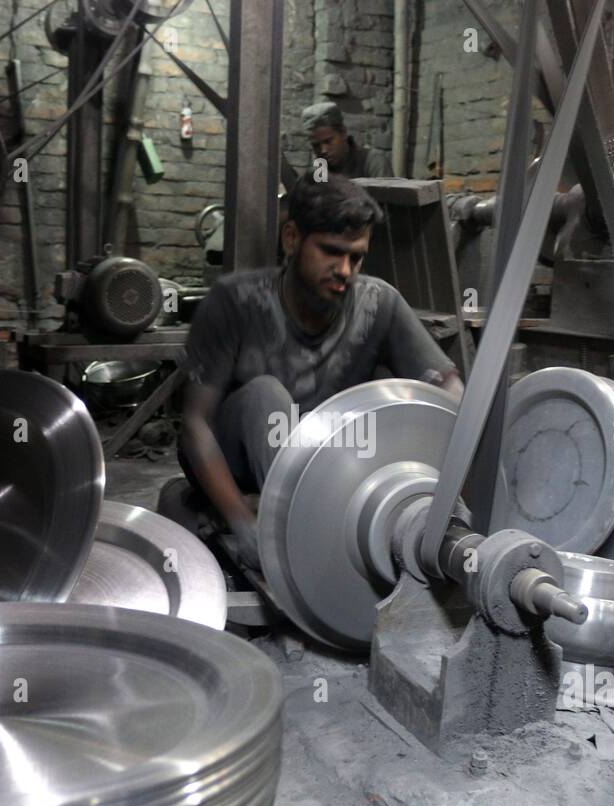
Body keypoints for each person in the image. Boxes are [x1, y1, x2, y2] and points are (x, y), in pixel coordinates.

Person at [179, 174, 462, 569]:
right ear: (291, 238)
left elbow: (448, 389)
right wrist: (240, 521)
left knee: (397, 396)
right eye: (331, 252)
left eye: (357, 257)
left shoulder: (378, 303)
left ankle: (317, 516)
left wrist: (451, 475)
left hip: (328, 473)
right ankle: (298, 524)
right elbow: (195, 426)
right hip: (238, 464)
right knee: (266, 395)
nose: (345, 270)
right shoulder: (235, 301)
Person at [303, 101, 395, 179]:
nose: (323, 150)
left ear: (343, 133)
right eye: (316, 145)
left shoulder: (373, 163)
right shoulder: (320, 166)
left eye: (328, 141)